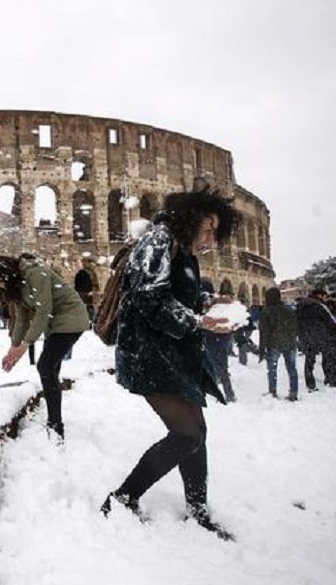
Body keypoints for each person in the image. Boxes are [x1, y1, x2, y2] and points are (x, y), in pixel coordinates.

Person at [100, 188, 239, 541]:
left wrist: (209, 301)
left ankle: (198, 508)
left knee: (197, 434)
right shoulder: (158, 242)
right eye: (207, 230)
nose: (210, 239)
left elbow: (180, 293)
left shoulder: (182, 248)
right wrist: (197, 322)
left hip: (175, 353)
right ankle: (123, 497)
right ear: (190, 220)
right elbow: (149, 298)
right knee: (186, 434)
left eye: (214, 232)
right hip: (149, 354)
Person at [0, 253, 90, 440]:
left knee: (45, 366)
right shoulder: (17, 286)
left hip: (71, 319)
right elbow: (21, 320)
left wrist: (26, 345)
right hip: (55, 326)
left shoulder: (36, 274)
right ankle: (54, 421)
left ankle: (55, 425)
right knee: (50, 370)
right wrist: (13, 348)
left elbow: (44, 311)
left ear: (6, 274)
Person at [258, 287, 300, 400]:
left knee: (272, 369)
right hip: (290, 343)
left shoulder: (266, 311)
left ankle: (272, 392)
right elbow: (296, 327)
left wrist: (262, 349)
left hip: (274, 343)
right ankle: (294, 392)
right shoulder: (289, 310)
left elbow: (264, 332)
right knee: (292, 369)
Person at [200, 279, 236, 403]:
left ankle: (221, 392)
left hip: (212, 335)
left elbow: (205, 319)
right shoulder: (228, 302)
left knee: (214, 364)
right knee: (221, 365)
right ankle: (228, 393)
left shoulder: (210, 301)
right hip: (224, 336)